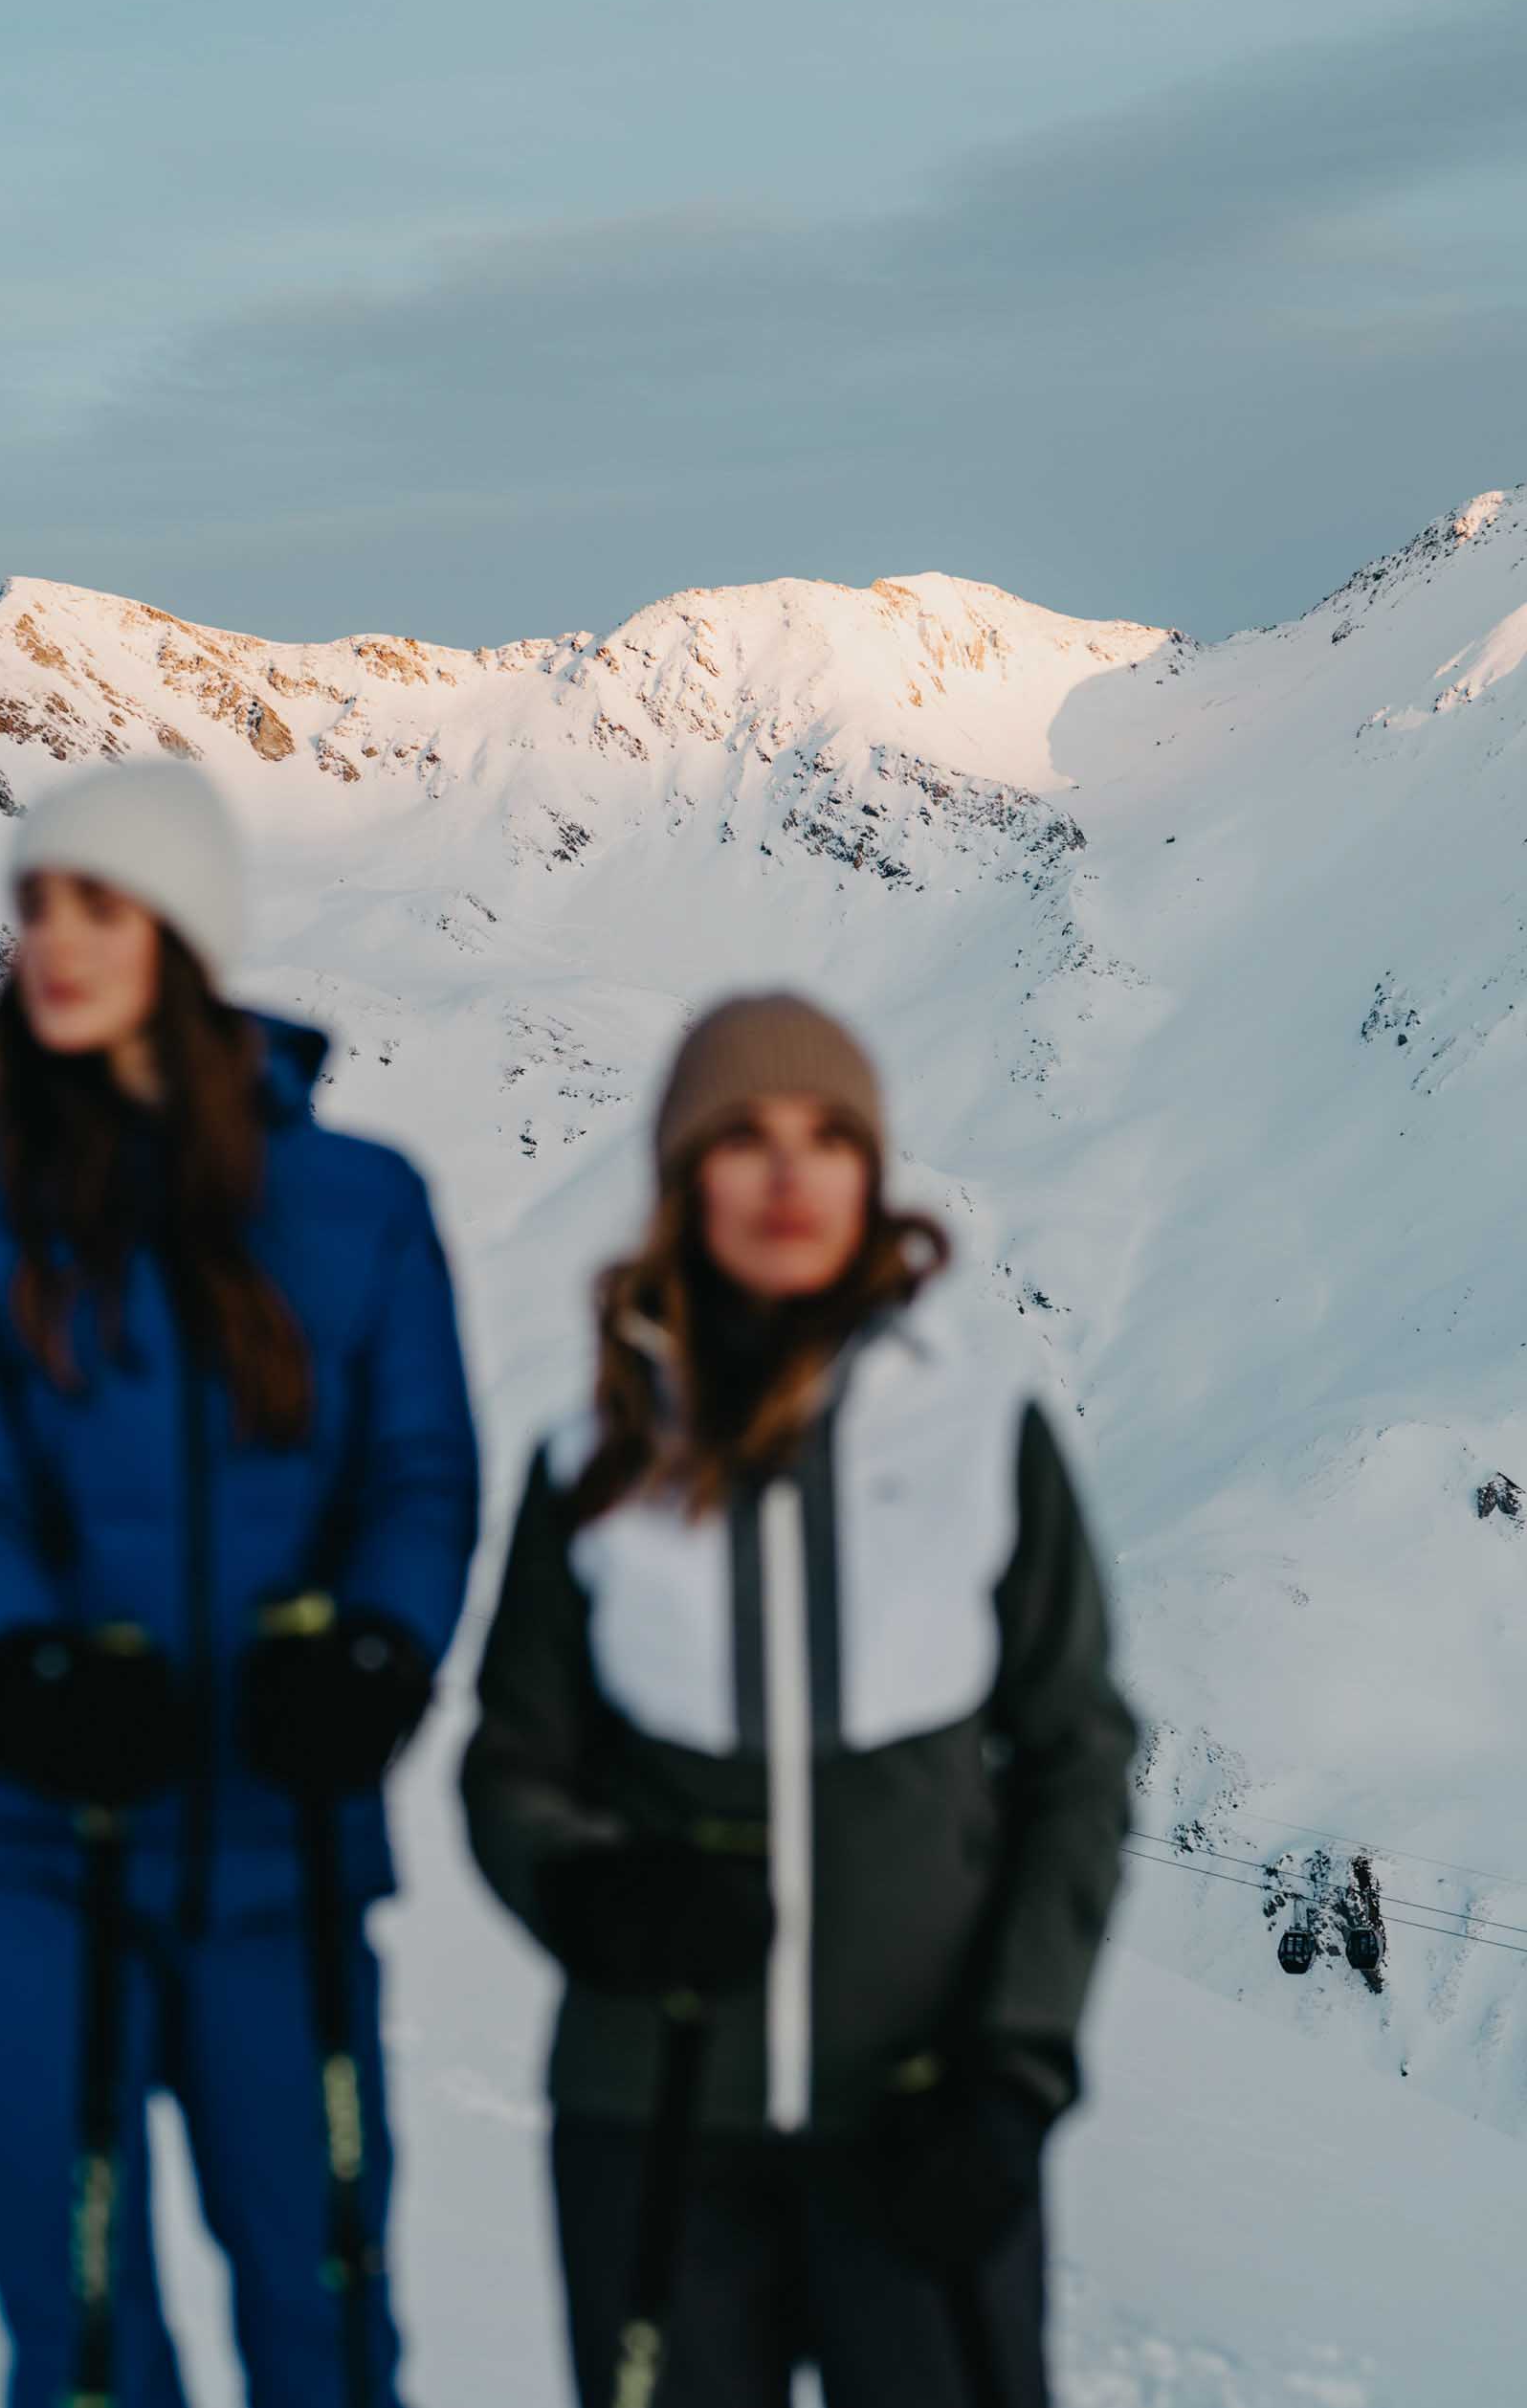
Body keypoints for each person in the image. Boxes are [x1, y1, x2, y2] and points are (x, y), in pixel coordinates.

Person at [0, 758, 480, 2408]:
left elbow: (418, 1481)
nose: (54, 940)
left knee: (327, 2311)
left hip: (280, 1853)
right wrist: (24, 1666)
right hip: (24, 1849)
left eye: (102, 902)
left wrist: (377, 1650)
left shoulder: (360, 1211)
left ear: (188, 936)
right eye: (36, 905)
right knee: (84, 2326)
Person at [460, 993, 1136, 2408]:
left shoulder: (979, 1434)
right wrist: (590, 1893)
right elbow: (512, 1759)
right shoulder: (596, 1455)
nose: (786, 1173)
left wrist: (1010, 2073)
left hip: (923, 2115)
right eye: (743, 1136)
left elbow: (1076, 1756)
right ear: (682, 1176)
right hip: (650, 2125)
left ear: (871, 1174)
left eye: (827, 1137)